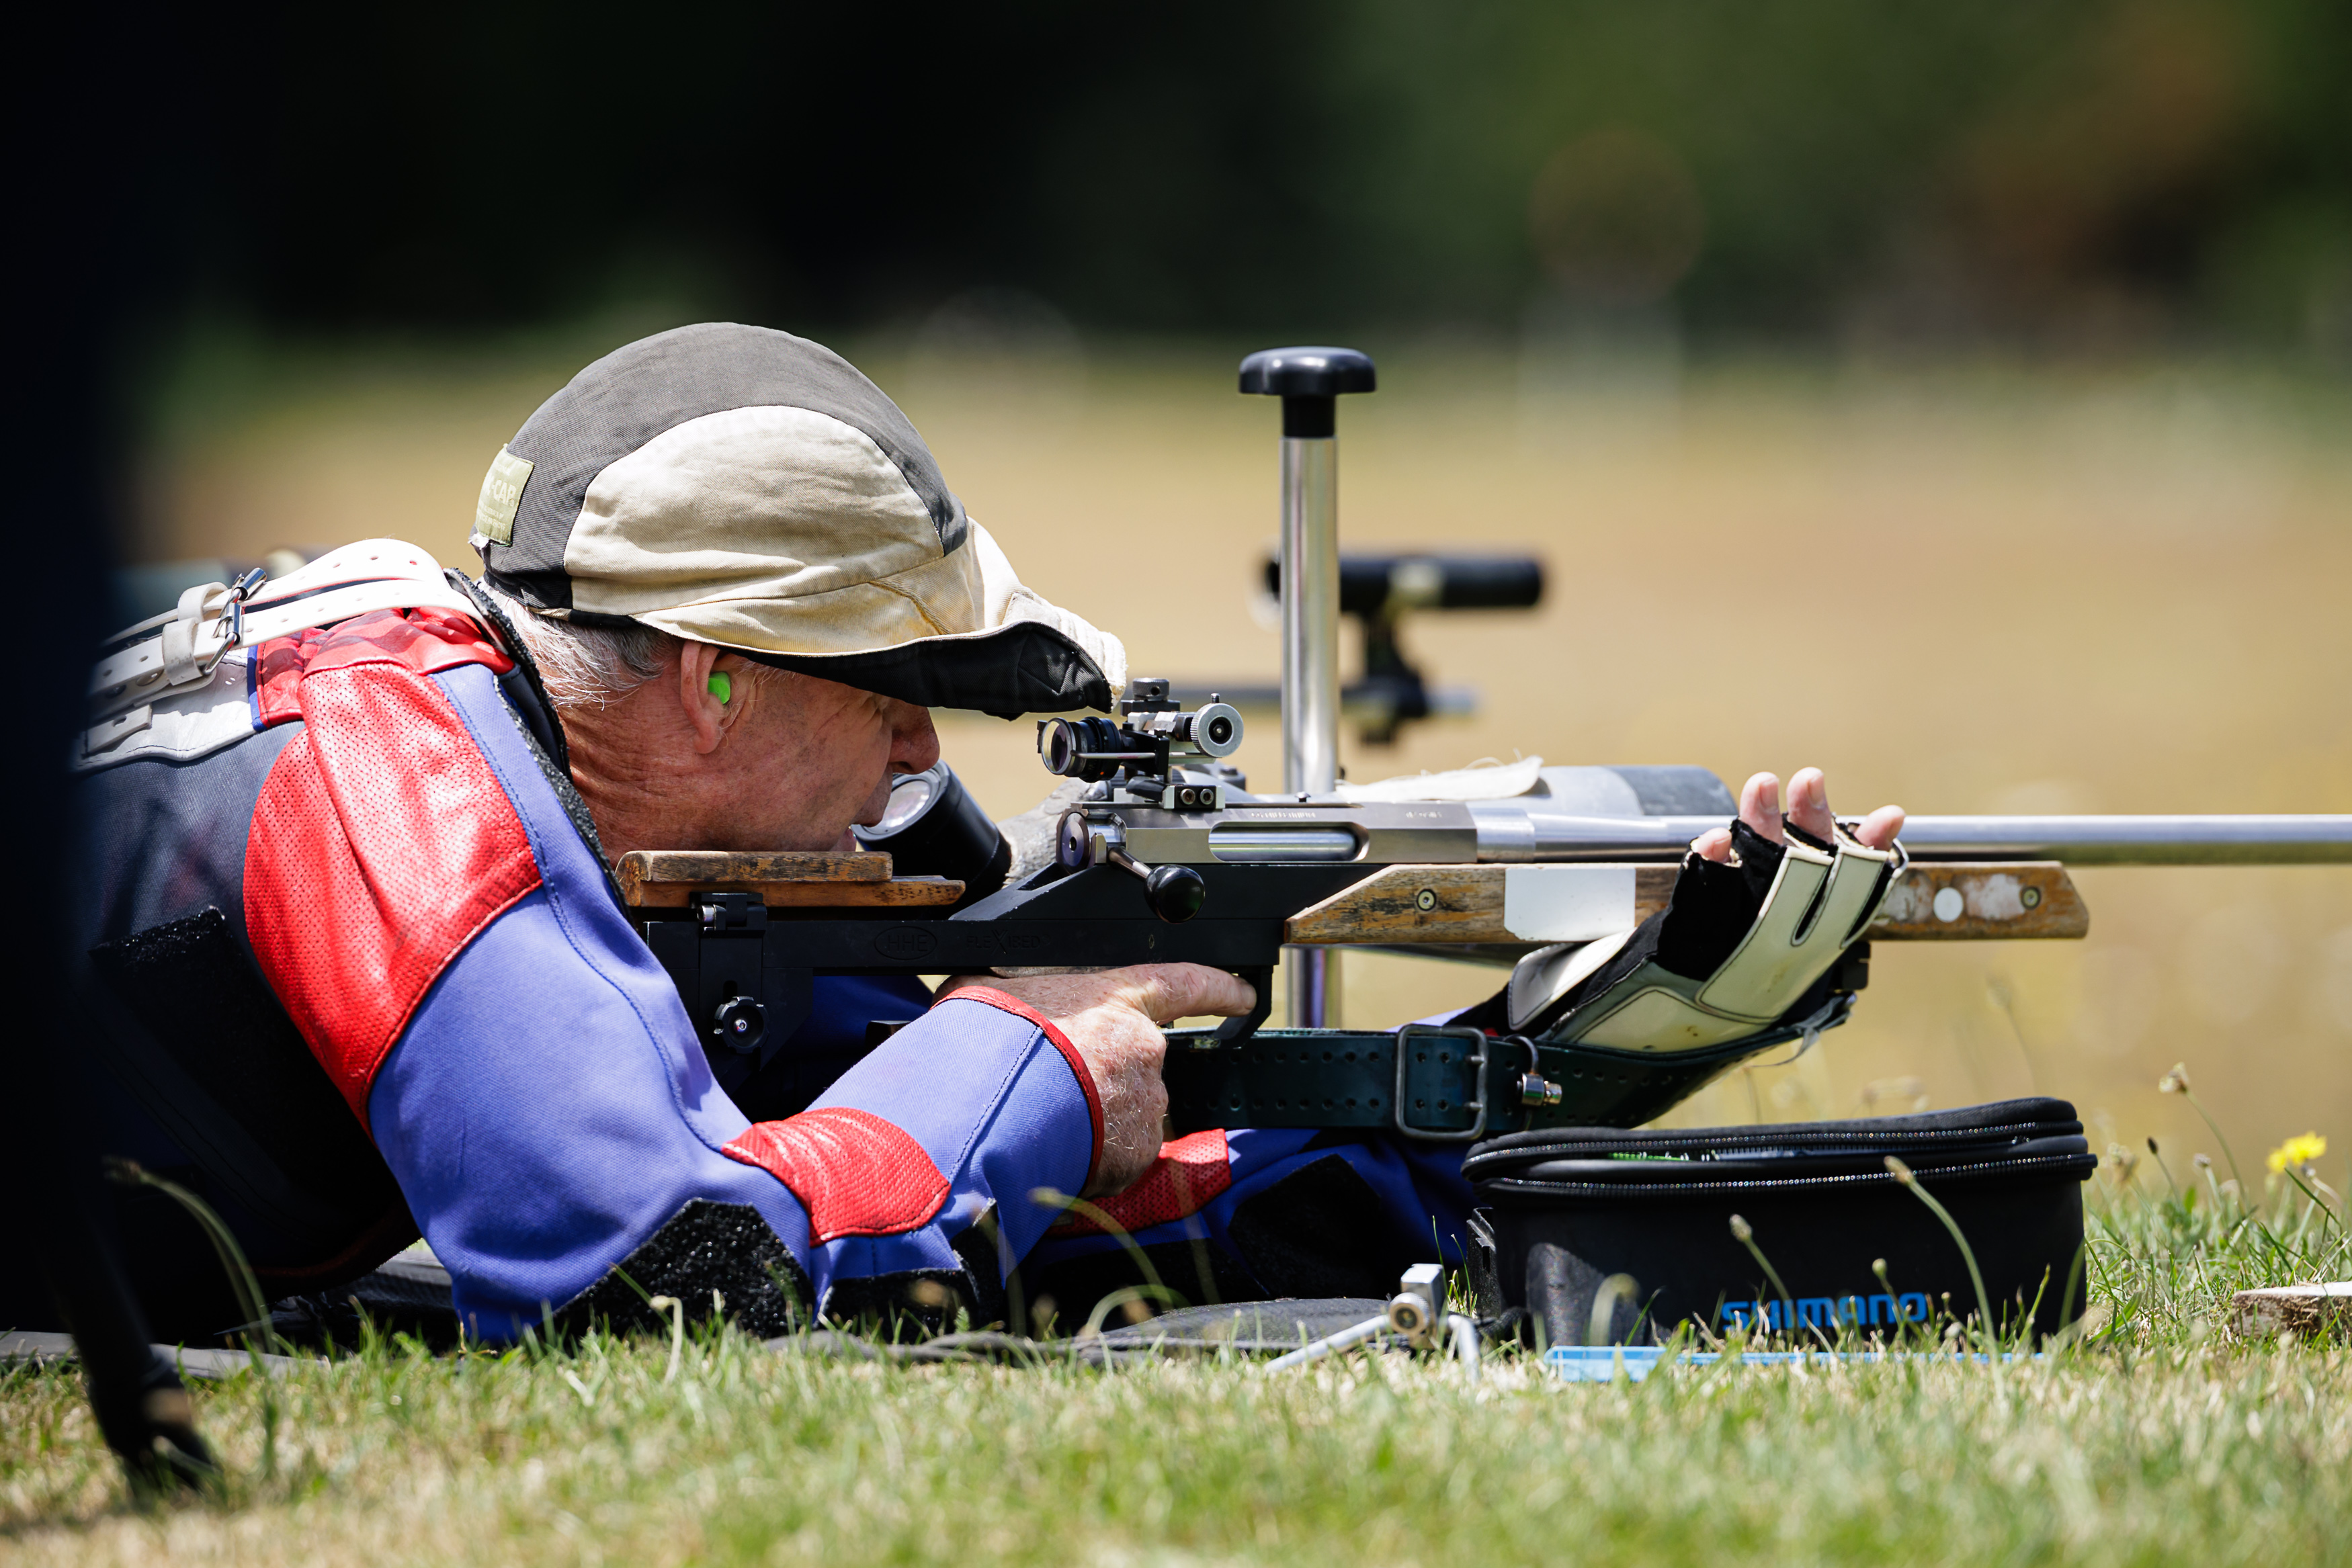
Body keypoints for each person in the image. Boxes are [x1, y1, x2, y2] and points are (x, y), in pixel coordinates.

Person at [36, 323, 1899, 1343]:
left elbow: (1063, 1233)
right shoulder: (392, 772)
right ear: (715, 676)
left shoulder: (651, 838)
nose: (929, 751)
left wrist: (1612, 1038)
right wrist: (1022, 1048)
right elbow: (658, 1276)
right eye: (895, 689)